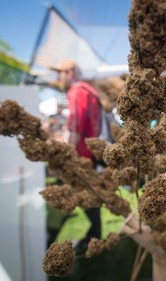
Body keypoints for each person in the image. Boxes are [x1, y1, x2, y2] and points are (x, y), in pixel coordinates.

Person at [51, 59, 103, 249]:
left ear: (70, 73)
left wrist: (64, 152)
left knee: (58, 197)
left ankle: (46, 240)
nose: (58, 78)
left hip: (78, 155)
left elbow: (76, 124)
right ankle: (95, 235)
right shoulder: (91, 92)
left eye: (61, 73)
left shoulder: (77, 91)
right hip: (88, 154)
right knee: (88, 196)